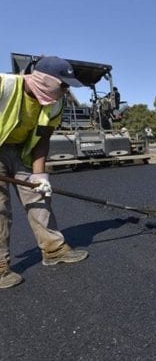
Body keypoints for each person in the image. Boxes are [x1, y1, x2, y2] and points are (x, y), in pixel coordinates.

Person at [0, 56, 89, 289]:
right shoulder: (4, 85)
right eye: (63, 84)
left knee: (39, 197)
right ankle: (0, 268)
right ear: (44, 79)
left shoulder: (55, 103)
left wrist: (40, 176)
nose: (66, 89)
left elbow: (42, 138)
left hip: (21, 151)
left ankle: (54, 250)